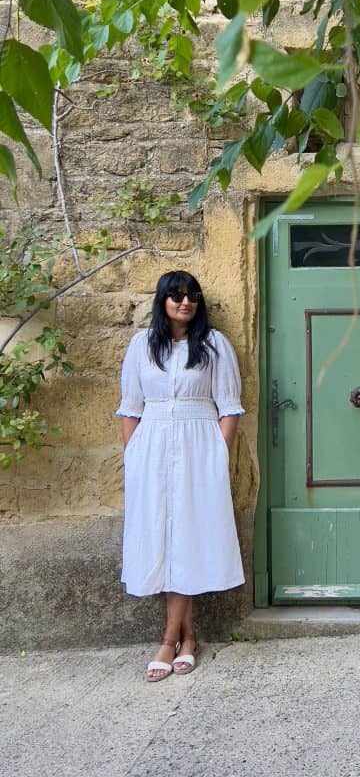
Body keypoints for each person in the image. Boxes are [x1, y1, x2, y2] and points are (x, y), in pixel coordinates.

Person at [116, 270, 245, 682]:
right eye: (176, 296)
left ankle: (168, 639)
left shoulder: (213, 345)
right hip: (151, 448)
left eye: (191, 295)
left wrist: (217, 457)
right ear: (163, 301)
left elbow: (228, 408)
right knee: (162, 537)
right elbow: (130, 408)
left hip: (198, 447)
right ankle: (188, 637)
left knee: (187, 536)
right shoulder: (141, 346)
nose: (185, 302)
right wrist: (133, 457)